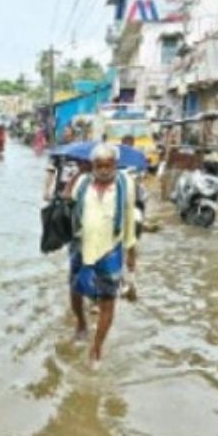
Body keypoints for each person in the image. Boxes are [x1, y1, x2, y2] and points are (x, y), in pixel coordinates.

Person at [66, 144, 138, 362]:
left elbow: (129, 217)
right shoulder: (82, 181)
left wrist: (131, 251)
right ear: (93, 165)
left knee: (108, 301)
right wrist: (76, 175)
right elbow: (66, 202)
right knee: (75, 289)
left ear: (115, 164)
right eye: (99, 165)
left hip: (110, 250)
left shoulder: (126, 184)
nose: (104, 170)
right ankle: (80, 322)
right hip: (82, 246)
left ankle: (97, 347)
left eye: (109, 165)